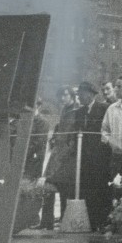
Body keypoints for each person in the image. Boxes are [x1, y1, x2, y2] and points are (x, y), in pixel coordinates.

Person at [75, 81, 112, 231]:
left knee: (100, 189)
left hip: (100, 157)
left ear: (91, 94)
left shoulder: (104, 108)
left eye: (81, 94)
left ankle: (101, 221)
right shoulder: (79, 112)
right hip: (84, 159)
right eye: (78, 95)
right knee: (87, 189)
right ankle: (89, 220)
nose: (79, 97)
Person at [42, 86, 80, 230]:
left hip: (67, 155)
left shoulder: (76, 111)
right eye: (61, 96)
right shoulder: (64, 111)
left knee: (64, 187)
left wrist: (67, 151)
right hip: (57, 152)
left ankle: (64, 220)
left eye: (65, 95)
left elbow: (73, 135)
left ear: (72, 96)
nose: (62, 98)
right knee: (48, 185)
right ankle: (46, 221)